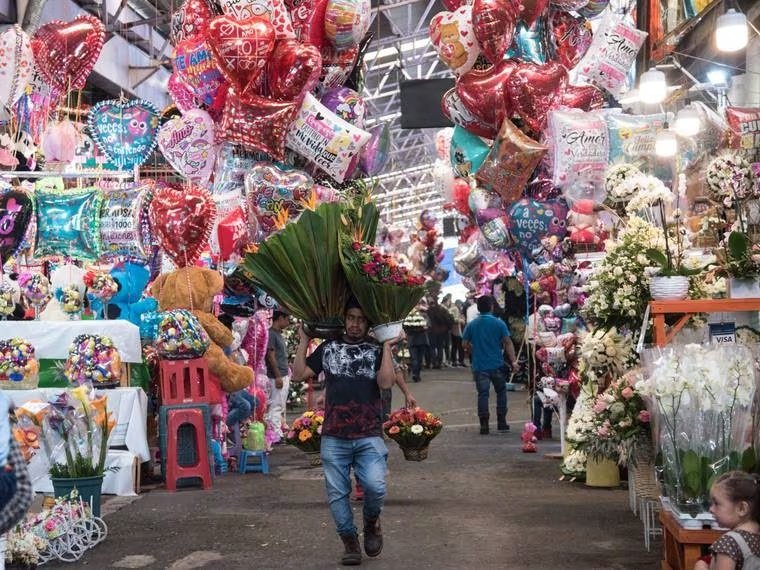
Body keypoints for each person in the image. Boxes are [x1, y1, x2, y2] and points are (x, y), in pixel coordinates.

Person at [292, 298, 399, 566]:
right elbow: (298, 374)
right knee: (337, 494)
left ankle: (372, 521)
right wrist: (304, 339)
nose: (355, 324)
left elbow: (386, 382)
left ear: (368, 323)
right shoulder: (329, 348)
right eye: (351, 318)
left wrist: (386, 344)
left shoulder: (375, 350)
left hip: (368, 434)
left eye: (361, 319)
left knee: (375, 486)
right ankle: (349, 540)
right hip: (334, 436)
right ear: (344, 319)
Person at [462, 295, 518, 435]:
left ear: (479, 308)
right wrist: (513, 361)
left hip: (479, 365)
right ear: (491, 306)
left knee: (483, 394)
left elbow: (464, 344)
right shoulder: (499, 323)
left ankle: (484, 425)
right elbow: (508, 342)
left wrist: (472, 350)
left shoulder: (472, 325)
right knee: (501, 392)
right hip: (497, 364)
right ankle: (501, 422)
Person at [695, 471, 760, 570]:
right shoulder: (756, 538)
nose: (711, 509)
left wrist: (701, 567)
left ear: (742, 509)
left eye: (716, 503)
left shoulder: (728, 543)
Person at [266, 309, 292, 439]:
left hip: (282, 373)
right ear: (280, 318)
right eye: (287, 319)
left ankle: (276, 432)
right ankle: (275, 434)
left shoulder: (277, 334)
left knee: (279, 405)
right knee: (276, 405)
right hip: (278, 375)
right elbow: (271, 356)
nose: (288, 322)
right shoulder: (271, 334)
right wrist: (277, 376)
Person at [402, 303, 429, 382]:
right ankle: (415, 374)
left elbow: (428, 325)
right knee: (415, 359)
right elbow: (427, 326)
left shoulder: (423, 315)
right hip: (417, 340)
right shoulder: (409, 316)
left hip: (417, 340)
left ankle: (416, 374)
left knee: (417, 359)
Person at [426, 297, 454, 369]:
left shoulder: (428, 310)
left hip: (432, 331)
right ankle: (439, 362)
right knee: (440, 347)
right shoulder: (441, 309)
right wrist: (446, 328)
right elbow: (448, 319)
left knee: (432, 347)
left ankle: (434, 362)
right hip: (441, 331)